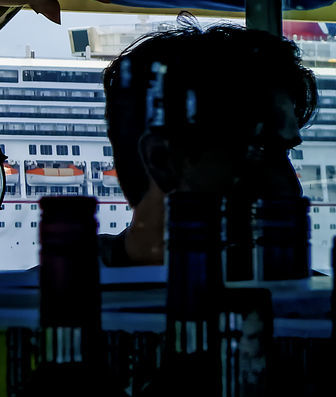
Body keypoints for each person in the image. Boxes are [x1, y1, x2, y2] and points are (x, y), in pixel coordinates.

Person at [99, 20, 318, 266]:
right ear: (161, 160)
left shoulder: (58, 295)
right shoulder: (305, 299)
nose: (292, 188)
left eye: (287, 152)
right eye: (258, 150)